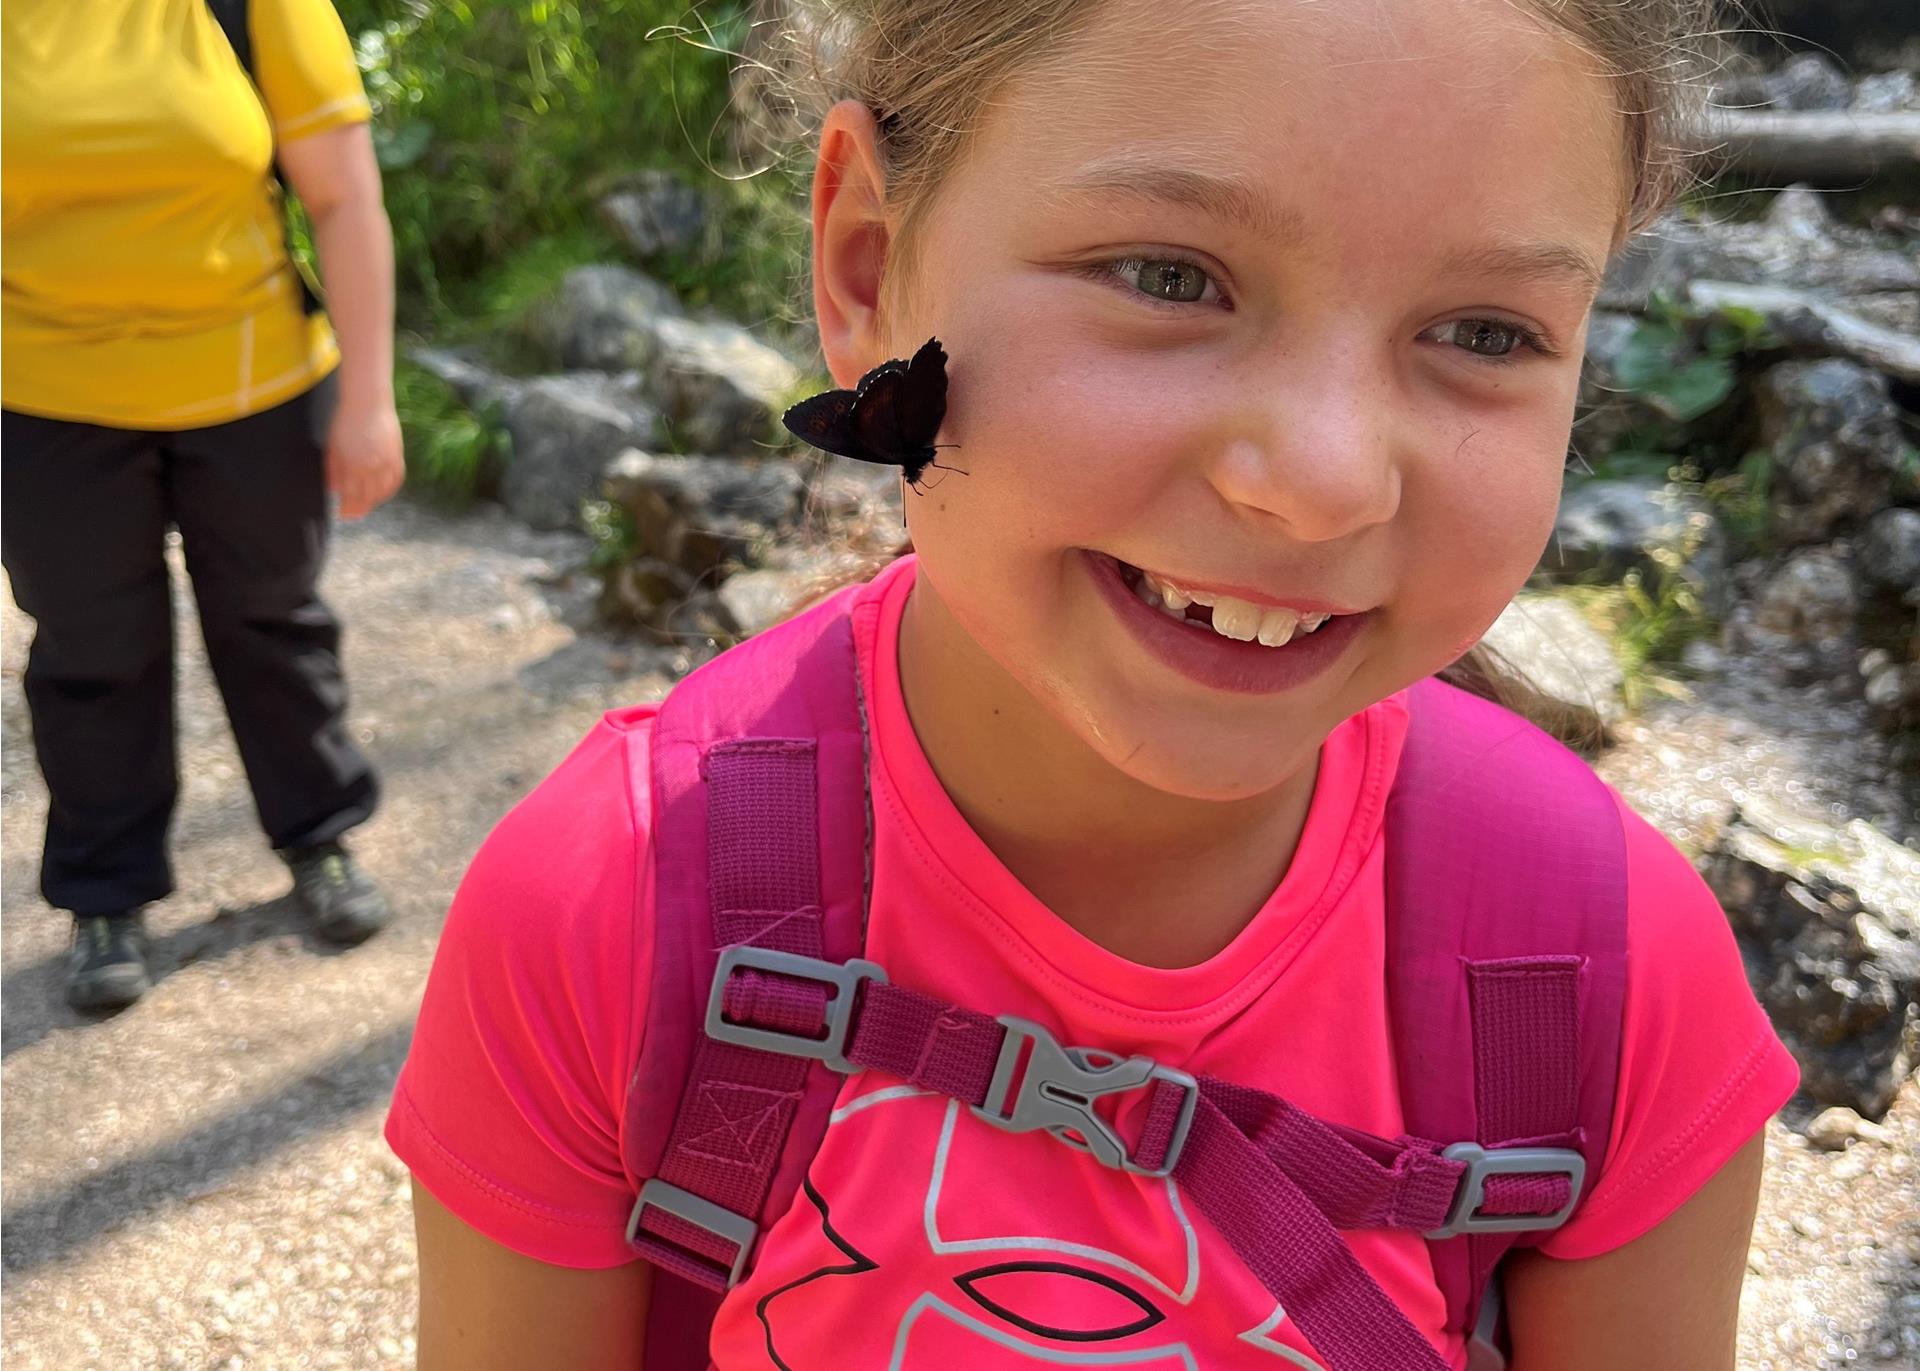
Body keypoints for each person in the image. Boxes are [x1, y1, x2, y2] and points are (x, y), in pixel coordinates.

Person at [386, 0, 1802, 1366]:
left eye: (1487, 332)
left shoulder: (1612, 977)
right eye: (1169, 277)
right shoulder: (616, 910)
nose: (1322, 480)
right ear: (869, 264)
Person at [2, 0, 401, 1013]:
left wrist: (369, 401)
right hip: (44, 399)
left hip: (252, 386)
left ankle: (320, 837)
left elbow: (344, 197)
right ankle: (104, 895)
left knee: (273, 618)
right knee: (90, 650)